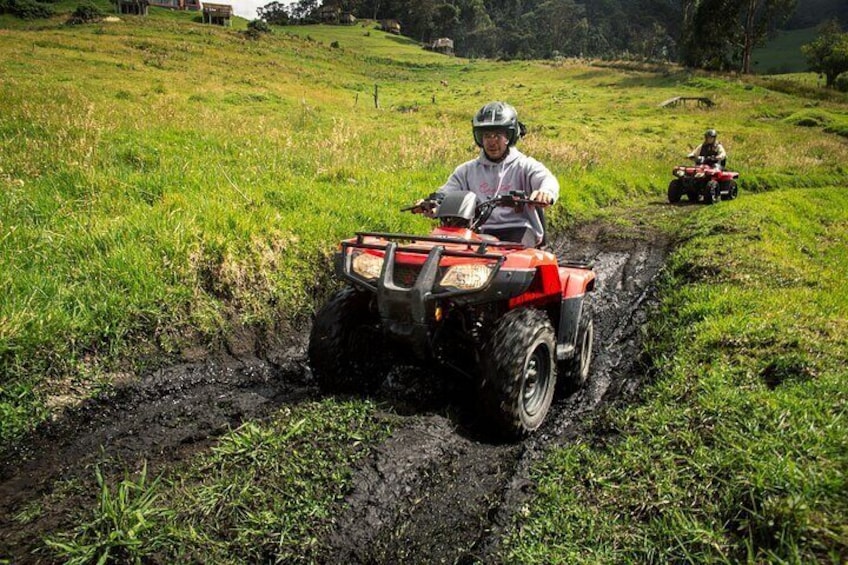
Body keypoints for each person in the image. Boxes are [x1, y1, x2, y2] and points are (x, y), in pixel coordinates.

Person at [416, 101, 559, 247]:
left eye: (497, 135)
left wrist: (545, 192)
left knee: (512, 256)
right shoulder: (466, 170)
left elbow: (547, 179)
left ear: (509, 136)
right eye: (486, 136)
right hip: (478, 231)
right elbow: (446, 192)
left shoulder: (524, 165)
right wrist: (432, 203)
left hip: (518, 229)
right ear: (479, 138)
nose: (491, 142)